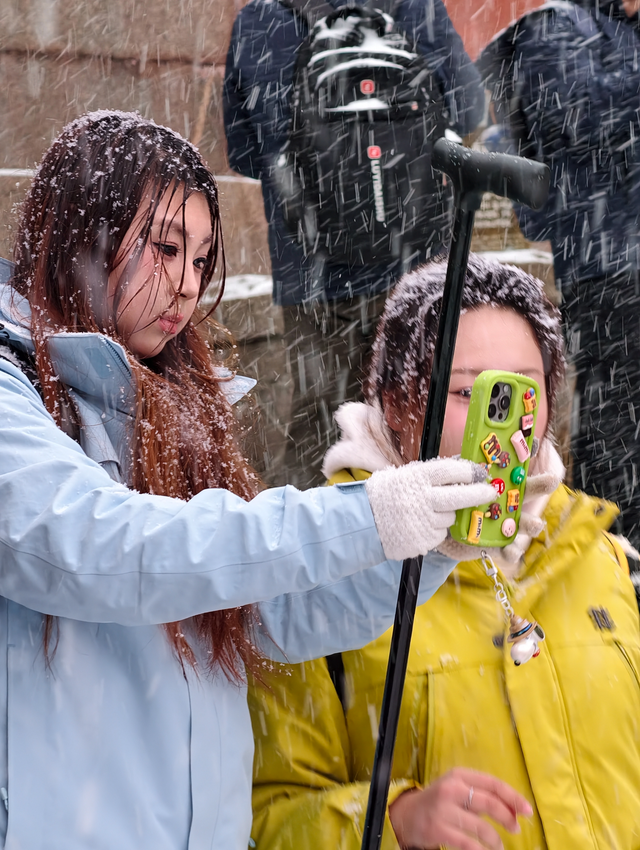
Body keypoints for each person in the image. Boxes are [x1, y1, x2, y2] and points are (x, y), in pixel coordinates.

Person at [0, 111, 497, 850]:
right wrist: (366, 515)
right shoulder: (13, 391)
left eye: (202, 260)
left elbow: (267, 611)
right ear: (81, 234)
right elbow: (94, 545)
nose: (188, 285)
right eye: (165, 247)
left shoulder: (180, 413)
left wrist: (421, 549)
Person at [248, 254, 640, 850]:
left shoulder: (600, 557)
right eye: (470, 391)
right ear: (396, 402)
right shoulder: (319, 570)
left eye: (522, 393)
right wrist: (390, 819)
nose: (501, 426)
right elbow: (266, 814)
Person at [223, 0, 485, 489]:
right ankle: (416, 548)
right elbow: (470, 106)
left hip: (312, 265)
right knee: (415, 417)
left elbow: (241, 151)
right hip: (415, 262)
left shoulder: (262, 17)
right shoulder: (414, 6)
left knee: (320, 420)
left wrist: (322, 174)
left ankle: (300, 548)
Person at [476, 0, 640, 549]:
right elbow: (581, 117)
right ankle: (615, 549)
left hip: (619, 251)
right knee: (614, 418)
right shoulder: (555, 25)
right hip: (607, 266)